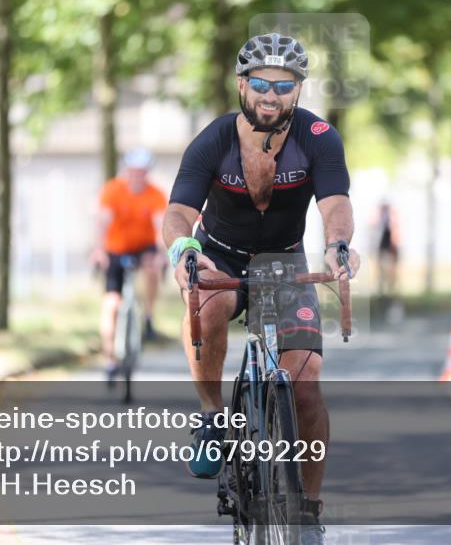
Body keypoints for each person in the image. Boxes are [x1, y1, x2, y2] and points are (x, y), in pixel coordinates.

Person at [163, 33, 360, 545]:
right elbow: (180, 210)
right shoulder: (214, 139)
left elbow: (335, 203)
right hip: (220, 253)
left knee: (307, 383)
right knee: (207, 310)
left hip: (284, 262)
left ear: (297, 89)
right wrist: (184, 249)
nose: (271, 96)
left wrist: (339, 246)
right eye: (260, 83)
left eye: (283, 85)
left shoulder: (318, 135)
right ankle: (211, 418)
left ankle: (309, 512)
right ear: (241, 85)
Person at [90, 148, 168, 381]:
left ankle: (148, 317)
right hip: (115, 248)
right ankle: (109, 357)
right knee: (111, 304)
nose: (137, 176)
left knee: (152, 269)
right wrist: (98, 250)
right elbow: (102, 221)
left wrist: (161, 252)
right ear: (127, 171)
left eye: (142, 172)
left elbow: (159, 225)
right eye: (133, 171)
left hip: (143, 247)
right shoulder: (113, 190)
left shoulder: (155, 194)